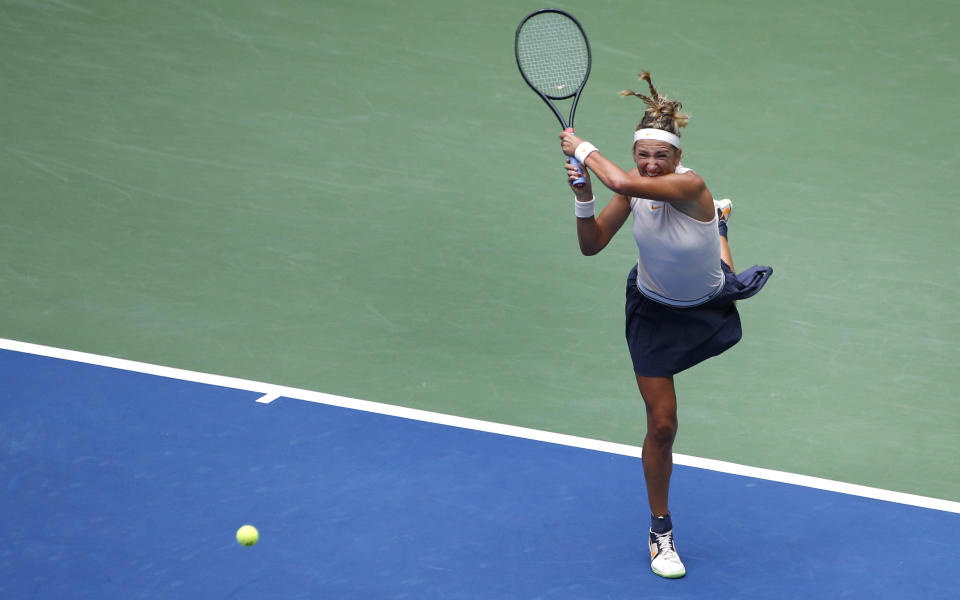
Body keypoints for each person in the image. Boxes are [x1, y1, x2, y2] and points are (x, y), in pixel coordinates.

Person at [557, 71, 772, 579]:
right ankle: (661, 531)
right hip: (654, 308)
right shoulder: (634, 188)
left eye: (662, 156)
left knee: (721, 273)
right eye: (643, 155)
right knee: (662, 424)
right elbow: (592, 245)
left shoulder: (689, 184)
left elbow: (620, 179)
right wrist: (583, 196)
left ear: (678, 158)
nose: (651, 164)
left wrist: (581, 146)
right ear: (635, 154)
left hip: (702, 300)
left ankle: (716, 222)